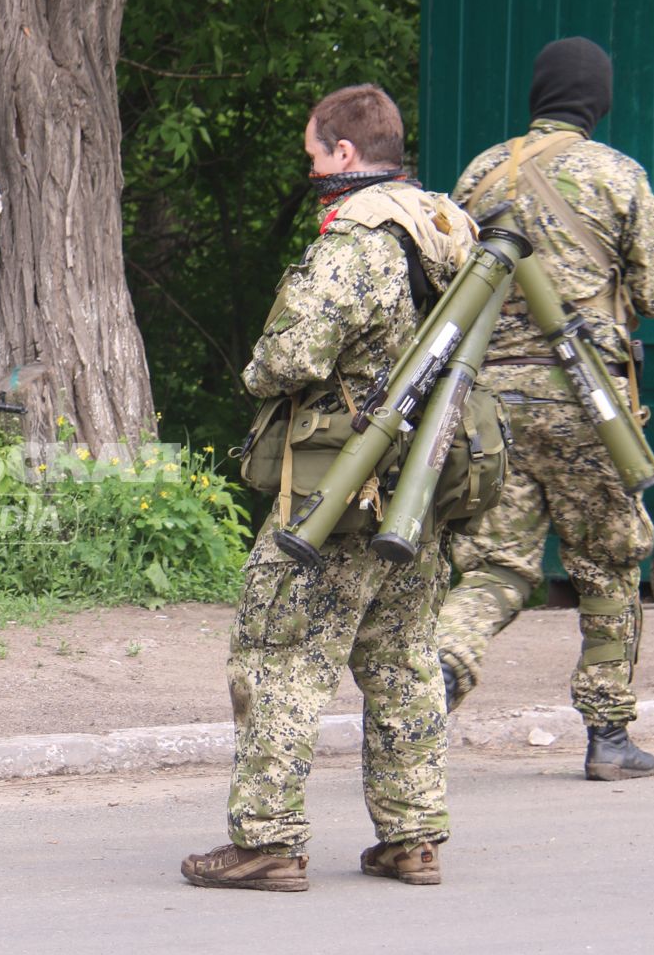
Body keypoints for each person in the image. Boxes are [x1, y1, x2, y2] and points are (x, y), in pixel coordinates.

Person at [182, 84, 472, 892]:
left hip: (341, 489)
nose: (309, 166)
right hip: (423, 482)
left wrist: (259, 366)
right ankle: (412, 837)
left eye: (313, 152)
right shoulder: (449, 229)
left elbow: (285, 357)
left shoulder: (357, 240)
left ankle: (268, 839)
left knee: (277, 655)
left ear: (344, 154)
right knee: (404, 658)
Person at [436, 37, 654, 781]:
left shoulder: (480, 173)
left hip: (493, 402)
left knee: (494, 567)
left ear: (538, 95)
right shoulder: (618, 175)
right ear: (598, 100)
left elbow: (451, 277)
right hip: (587, 402)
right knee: (608, 562)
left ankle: (442, 671)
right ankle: (609, 736)